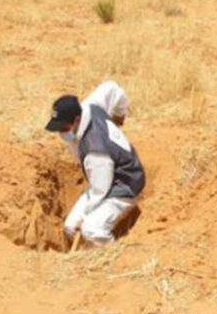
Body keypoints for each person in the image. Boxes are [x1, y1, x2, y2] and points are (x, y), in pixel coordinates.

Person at [45, 82, 144, 246]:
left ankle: (111, 257)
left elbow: (101, 190)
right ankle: (87, 252)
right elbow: (112, 88)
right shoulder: (90, 106)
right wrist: (119, 114)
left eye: (64, 127)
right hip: (106, 178)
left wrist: (85, 215)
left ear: (77, 120)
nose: (61, 132)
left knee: (91, 230)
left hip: (125, 185)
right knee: (70, 227)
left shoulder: (95, 151)